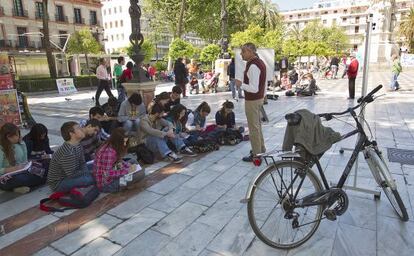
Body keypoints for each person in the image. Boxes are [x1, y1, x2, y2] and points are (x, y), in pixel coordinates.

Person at [235, 43, 266, 162]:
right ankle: (261, 150)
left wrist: (240, 84)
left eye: (243, 51)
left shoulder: (254, 65)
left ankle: (256, 155)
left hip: (253, 100)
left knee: (253, 129)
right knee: (257, 127)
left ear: (250, 52)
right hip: (257, 99)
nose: (241, 54)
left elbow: (254, 88)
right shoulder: (259, 62)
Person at [47, 122, 95, 192]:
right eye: (78, 128)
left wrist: (88, 172)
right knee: (88, 179)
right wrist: (89, 173)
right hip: (59, 182)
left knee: (95, 164)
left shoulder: (78, 145)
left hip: (74, 172)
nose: (82, 129)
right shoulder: (67, 152)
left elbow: (82, 162)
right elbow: (72, 174)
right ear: (71, 133)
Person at [0, 123, 45, 192]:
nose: (17, 137)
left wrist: (22, 144)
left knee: (43, 171)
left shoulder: (20, 144)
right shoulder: (1, 148)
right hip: (6, 176)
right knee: (21, 179)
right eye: (16, 135)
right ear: (7, 137)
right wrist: (10, 169)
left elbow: (25, 160)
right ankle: (14, 188)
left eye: (18, 134)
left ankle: (20, 186)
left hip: (21, 171)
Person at [93, 127, 136, 193]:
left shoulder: (111, 145)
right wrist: (126, 171)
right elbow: (107, 174)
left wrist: (127, 165)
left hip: (113, 171)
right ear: (117, 141)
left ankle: (126, 183)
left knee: (133, 161)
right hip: (107, 184)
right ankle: (123, 185)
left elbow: (117, 162)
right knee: (136, 176)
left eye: (126, 142)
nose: (124, 144)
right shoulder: (109, 153)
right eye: (123, 142)